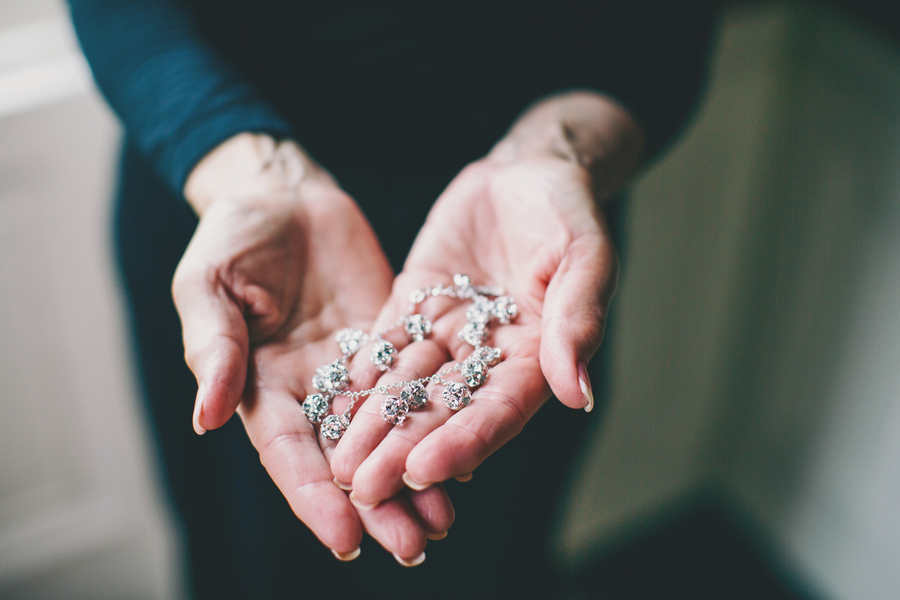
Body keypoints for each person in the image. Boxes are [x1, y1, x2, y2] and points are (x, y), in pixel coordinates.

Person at [68, 0, 716, 597]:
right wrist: (242, 165)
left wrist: (558, 150)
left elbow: (664, 25)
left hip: (514, 250)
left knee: (483, 565)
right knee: (242, 563)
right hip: (246, 230)